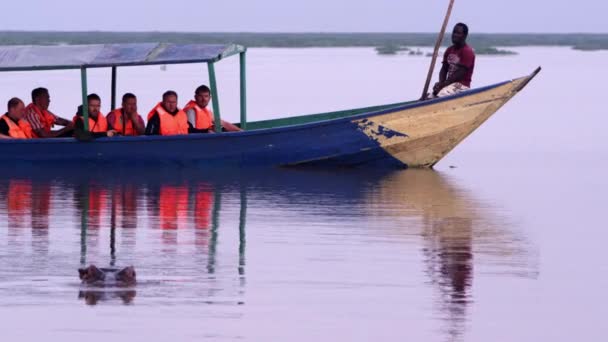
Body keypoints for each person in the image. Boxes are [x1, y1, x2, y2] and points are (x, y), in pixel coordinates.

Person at [432, 23, 476, 98]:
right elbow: (444, 69)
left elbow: (460, 73)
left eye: (458, 33)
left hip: (461, 86)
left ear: (464, 36)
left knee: (441, 95)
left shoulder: (467, 51)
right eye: (454, 32)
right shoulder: (449, 50)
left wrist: (444, 85)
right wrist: (440, 83)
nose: (454, 35)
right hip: (449, 84)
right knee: (430, 96)